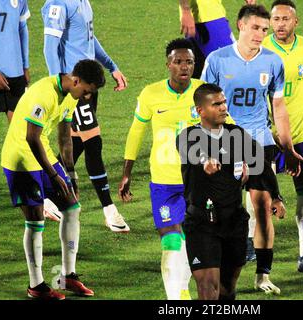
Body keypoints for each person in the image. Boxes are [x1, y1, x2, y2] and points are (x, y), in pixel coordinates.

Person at [201, 4, 303, 295]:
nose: (261, 34)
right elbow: (203, 106)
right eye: (257, 28)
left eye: (265, 29)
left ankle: (262, 275)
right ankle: (219, 271)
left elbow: (279, 107)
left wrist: (287, 146)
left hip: (260, 144)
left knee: (263, 208)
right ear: (241, 26)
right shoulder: (217, 60)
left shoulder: (273, 62)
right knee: (223, 211)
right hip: (225, 145)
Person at [1, 59, 106, 300]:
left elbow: (64, 135)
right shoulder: (43, 94)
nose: (87, 97)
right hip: (20, 159)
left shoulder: (71, 95)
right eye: (87, 91)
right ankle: (36, 285)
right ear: (76, 80)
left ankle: (69, 275)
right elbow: (31, 137)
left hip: (43, 153)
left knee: (72, 207)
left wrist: (69, 172)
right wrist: (52, 174)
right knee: (36, 219)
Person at [176, 83, 286, 300]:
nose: (223, 107)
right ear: (200, 110)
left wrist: (275, 196)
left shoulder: (237, 134)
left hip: (234, 222)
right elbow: (192, 151)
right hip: (202, 223)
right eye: (216, 104)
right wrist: (205, 161)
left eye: (224, 102)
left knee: (227, 289)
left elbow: (261, 165)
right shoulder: (189, 136)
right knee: (208, 288)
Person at [118, 38, 202, 300]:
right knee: (171, 240)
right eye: (178, 61)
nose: (183, 67)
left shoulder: (204, 92)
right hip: (164, 182)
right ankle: (175, 300)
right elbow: (136, 132)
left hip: (199, 180)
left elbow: (227, 123)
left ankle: (182, 288)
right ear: (168, 64)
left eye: (188, 61)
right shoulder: (150, 94)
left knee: (192, 241)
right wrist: (127, 172)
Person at [41, 0, 130, 232]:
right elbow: (50, 47)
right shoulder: (58, 4)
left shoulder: (83, 2)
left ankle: (45, 192)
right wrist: (58, 85)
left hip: (87, 86)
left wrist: (112, 66)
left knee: (77, 142)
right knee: (93, 142)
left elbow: (90, 38)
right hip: (73, 87)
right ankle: (109, 209)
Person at [262, 0, 303, 272]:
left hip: (300, 130)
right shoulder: (262, 48)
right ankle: (250, 247)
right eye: (275, 19)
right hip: (268, 134)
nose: (280, 24)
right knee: (258, 190)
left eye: (285, 19)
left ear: (295, 22)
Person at [0, 0, 30, 196]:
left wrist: (25, 65)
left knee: (20, 129)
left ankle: (21, 179)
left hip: (15, 74)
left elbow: (23, 29)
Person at [179, 0, 256, 78]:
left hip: (206, 17)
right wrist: (185, 11)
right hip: (208, 17)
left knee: (200, 76)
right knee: (233, 70)